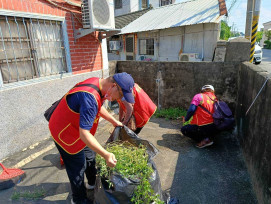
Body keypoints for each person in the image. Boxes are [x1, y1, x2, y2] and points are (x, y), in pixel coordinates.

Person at [49, 72, 135, 204]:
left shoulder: (99, 84)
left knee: (90, 158)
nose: (119, 99)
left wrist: (113, 121)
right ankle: (78, 199)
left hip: (76, 129)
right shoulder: (89, 98)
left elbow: (98, 106)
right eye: (121, 95)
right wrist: (106, 155)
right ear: (113, 86)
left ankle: (92, 184)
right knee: (77, 168)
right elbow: (84, 134)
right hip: (66, 134)